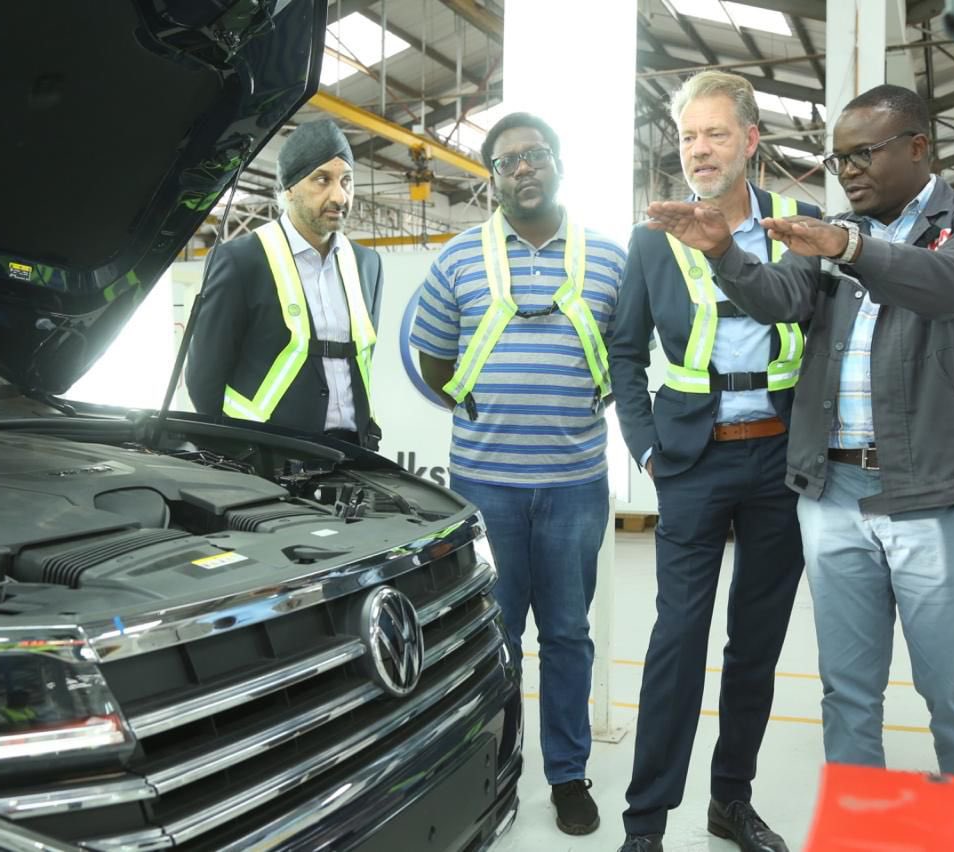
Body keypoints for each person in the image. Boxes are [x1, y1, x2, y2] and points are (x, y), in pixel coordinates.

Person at [643, 84, 954, 782]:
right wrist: (725, 253)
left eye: (863, 154)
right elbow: (784, 299)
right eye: (838, 159)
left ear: (917, 147)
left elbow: (949, 286)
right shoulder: (831, 231)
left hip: (930, 495)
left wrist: (850, 246)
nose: (848, 172)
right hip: (832, 491)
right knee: (847, 691)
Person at [609, 71, 818, 852]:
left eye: (716, 134)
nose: (698, 150)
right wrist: (650, 450)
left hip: (779, 462)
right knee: (677, 643)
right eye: (689, 135)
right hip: (692, 464)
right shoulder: (651, 238)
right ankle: (646, 823)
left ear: (751, 141)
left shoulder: (800, 225)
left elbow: (803, 315)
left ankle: (731, 803)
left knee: (755, 647)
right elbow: (625, 355)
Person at [410, 112, 626, 836]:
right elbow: (432, 358)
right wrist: (480, 408)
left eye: (534, 156)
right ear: (493, 179)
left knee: (567, 634)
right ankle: (495, 766)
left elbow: (625, 358)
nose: (522, 170)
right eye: (506, 163)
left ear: (558, 163)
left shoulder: (608, 259)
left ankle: (568, 775)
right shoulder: (458, 259)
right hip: (484, 487)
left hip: (574, 486)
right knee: (494, 637)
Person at [185, 118, 384, 449]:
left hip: (352, 452)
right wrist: (232, 455)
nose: (339, 195)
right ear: (289, 188)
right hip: (264, 455)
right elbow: (204, 379)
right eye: (322, 180)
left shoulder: (368, 264)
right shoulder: (240, 261)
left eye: (346, 181)